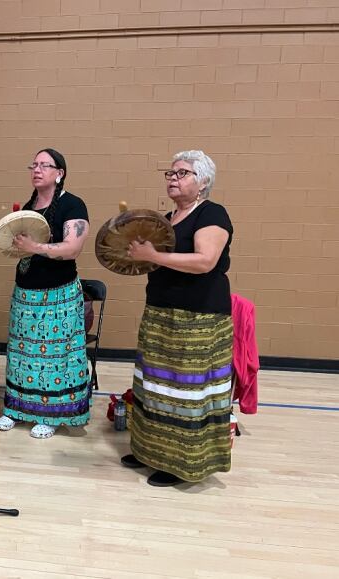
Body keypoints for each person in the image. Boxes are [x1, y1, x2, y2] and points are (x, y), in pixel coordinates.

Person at [122, 150, 233, 487]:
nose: (173, 177)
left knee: (185, 394)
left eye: (182, 173)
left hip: (197, 318)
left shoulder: (212, 214)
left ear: (202, 183)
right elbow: (156, 261)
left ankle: (180, 465)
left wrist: (153, 254)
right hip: (160, 312)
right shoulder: (167, 218)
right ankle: (148, 452)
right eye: (170, 173)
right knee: (154, 386)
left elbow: (204, 261)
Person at [0, 148, 91, 439]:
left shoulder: (73, 205)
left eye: (44, 165)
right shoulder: (29, 205)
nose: (36, 170)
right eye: (33, 165)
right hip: (26, 293)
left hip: (58, 295)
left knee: (54, 358)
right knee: (22, 355)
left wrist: (35, 248)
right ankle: (17, 409)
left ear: (59, 173)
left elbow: (73, 248)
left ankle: (51, 415)